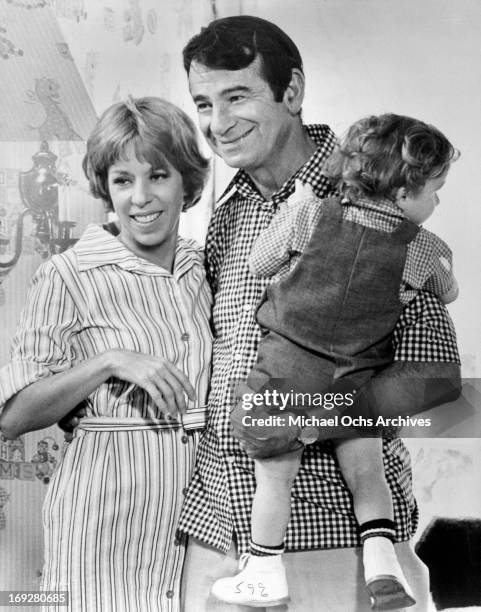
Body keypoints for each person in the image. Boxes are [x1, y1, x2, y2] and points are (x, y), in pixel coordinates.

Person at [178, 15, 461, 612]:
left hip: (335, 544)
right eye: (203, 103)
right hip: (217, 535)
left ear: (293, 92)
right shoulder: (226, 214)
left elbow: (435, 384)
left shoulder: (380, 193)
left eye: (237, 97)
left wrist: (310, 411)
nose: (217, 124)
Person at [0, 97, 211, 612]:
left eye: (158, 175)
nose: (141, 198)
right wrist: (109, 361)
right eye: (122, 180)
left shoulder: (206, 268)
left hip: (196, 524)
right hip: (102, 521)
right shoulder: (68, 275)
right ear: (105, 188)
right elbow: (12, 416)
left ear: (187, 182)